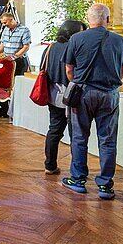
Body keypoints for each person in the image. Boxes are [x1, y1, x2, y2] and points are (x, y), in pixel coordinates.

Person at [62, 4, 123, 200]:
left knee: (79, 137)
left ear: (88, 18)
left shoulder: (76, 38)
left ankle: (78, 180)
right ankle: (105, 186)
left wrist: (80, 82)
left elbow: (69, 70)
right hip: (109, 94)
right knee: (108, 140)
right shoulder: (120, 41)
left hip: (83, 94)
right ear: (107, 19)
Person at [44, 19, 88, 175]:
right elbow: (74, 72)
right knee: (75, 133)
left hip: (53, 93)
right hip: (72, 93)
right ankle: (76, 171)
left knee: (54, 130)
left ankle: (50, 165)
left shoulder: (51, 47)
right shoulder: (75, 47)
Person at [0, 12, 32, 117]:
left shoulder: (24, 30)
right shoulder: (5, 30)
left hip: (19, 61)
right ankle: (4, 110)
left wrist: (15, 56)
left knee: (15, 86)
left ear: (12, 19)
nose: (4, 25)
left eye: (5, 22)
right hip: (6, 61)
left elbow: (26, 46)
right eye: (3, 23)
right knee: (3, 85)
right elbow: (3, 44)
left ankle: (16, 111)